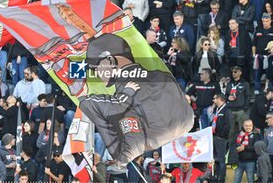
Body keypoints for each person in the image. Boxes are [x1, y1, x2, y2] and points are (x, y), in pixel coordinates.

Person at [76, 33, 193, 164]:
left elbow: (122, 156)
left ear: (110, 61)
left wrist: (84, 100)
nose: (96, 73)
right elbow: (188, 117)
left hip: (149, 147)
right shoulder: (164, 76)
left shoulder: (122, 99)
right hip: (181, 131)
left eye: (95, 68)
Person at [253, 13, 273, 94]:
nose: (265, 23)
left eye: (267, 21)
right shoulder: (258, 29)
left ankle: (269, 89)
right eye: (263, 21)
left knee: (270, 73)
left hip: (269, 56)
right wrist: (253, 54)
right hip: (259, 56)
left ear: (270, 21)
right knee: (257, 73)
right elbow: (254, 43)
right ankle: (256, 89)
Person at [226, 66, 250, 143]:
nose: (233, 73)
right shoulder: (229, 84)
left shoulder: (245, 83)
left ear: (240, 72)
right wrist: (227, 98)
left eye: (235, 72)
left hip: (240, 109)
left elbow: (248, 96)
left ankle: (242, 145)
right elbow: (226, 95)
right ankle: (229, 147)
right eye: (232, 72)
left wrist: (245, 108)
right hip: (230, 109)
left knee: (242, 129)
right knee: (230, 130)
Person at [211, 93, 232, 182]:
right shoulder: (217, 109)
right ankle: (216, 177)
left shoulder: (227, 110)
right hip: (215, 137)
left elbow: (228, 125)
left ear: (219, 99)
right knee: (216, 160)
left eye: (214, 98)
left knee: (221, 160)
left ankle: (222, 179)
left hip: (221, 138)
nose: (213, 100)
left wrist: (221, 136)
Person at [264, 112, 273, 182]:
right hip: (269, 155)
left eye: (268, 118)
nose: (266, 120)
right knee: (272, 175)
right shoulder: (267, 130)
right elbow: (265, 143)